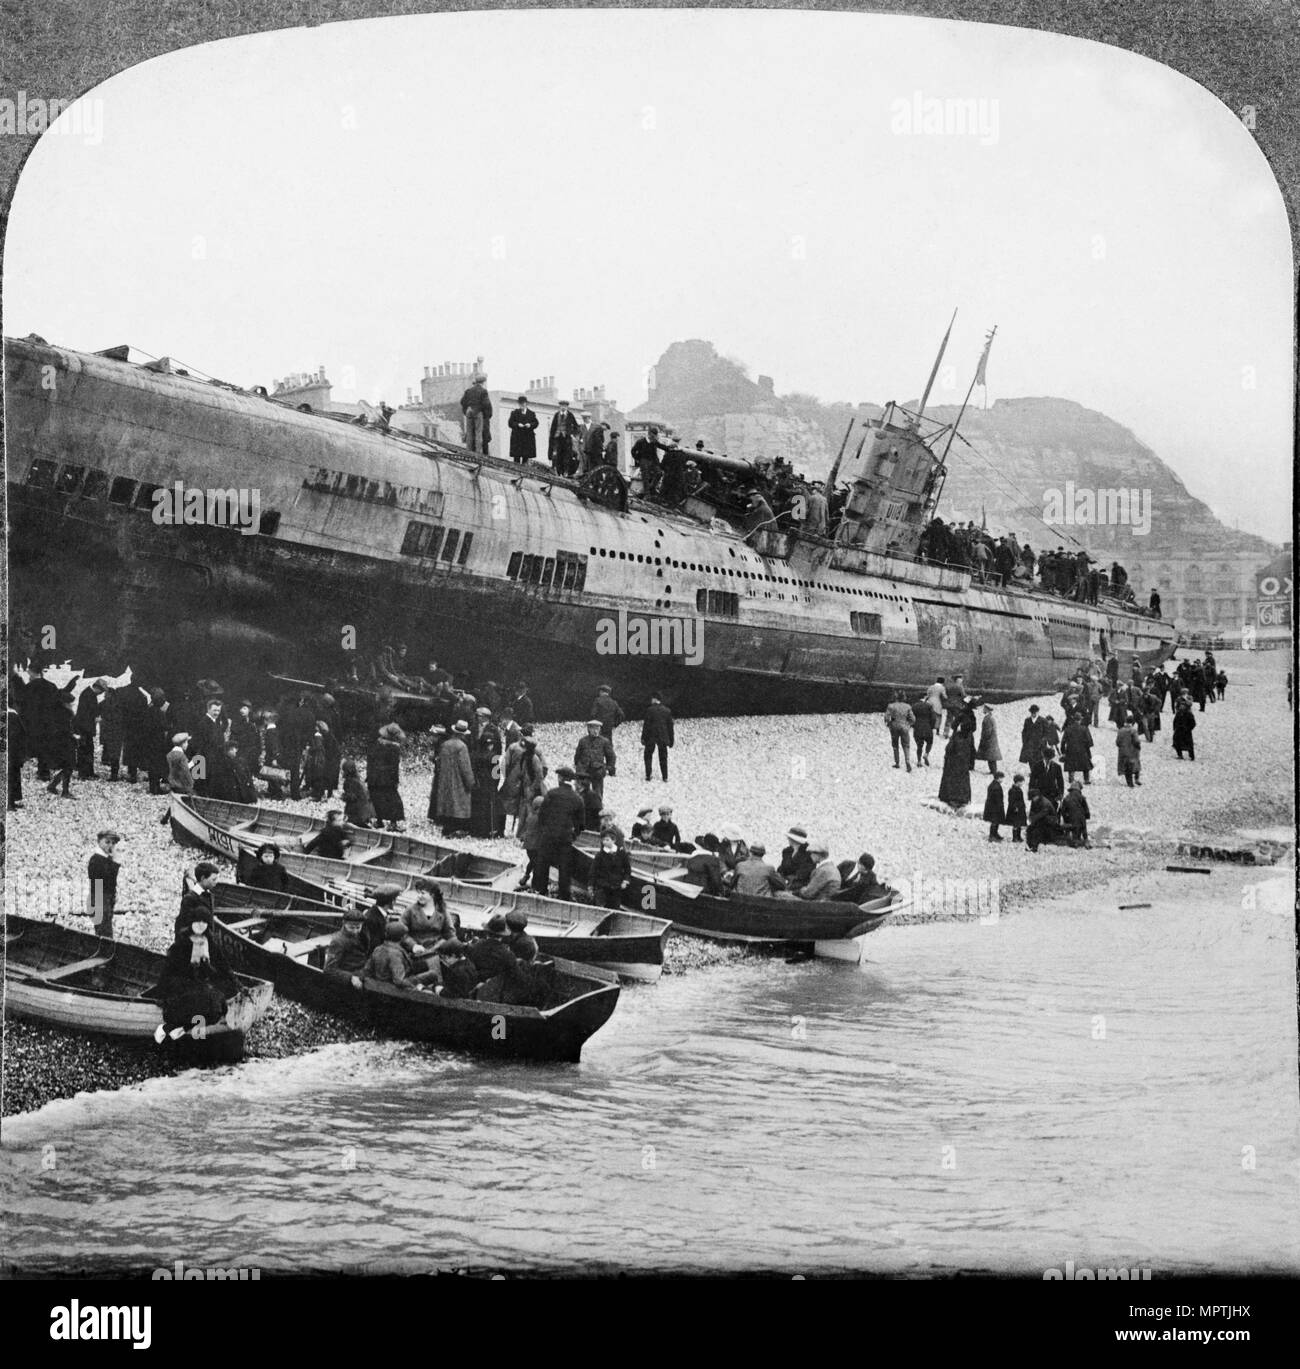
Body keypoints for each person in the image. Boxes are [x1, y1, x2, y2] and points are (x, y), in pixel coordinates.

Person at [157, 906, 239, 1033]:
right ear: (191, 923)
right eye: (197, 921)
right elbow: (169, 969)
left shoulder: (211, 943)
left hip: (203, 983)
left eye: (204, 922)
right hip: (184, 983)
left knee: (214, 997)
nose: (200, 925)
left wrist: (237, 984)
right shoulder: (182, 943)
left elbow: (224, 966)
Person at [532, 766, 585, 899]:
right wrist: (573, 835)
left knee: (543, 864)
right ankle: (564, 895)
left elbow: (541, 816)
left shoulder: (551, 794)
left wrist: (545, 830)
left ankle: (541, 891)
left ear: (560, 778)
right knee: (564, 868)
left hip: (548, 836)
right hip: (565, 838)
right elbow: (581, 824)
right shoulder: (577, 798)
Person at [366, 723, 406, 831]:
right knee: (392, 800)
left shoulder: (375, 744)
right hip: (387, 778)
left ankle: (379, 821)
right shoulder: (394, 748)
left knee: (377, 798)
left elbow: (370, 761)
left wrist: (369, 775)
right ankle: (393, 823)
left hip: (374, 776)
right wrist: (395, 780)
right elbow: (394, 767)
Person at [87, 829, 122, 939]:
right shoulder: (96, 859)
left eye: (113, 843)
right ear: (99, 842)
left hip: (104, 899)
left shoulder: (105, 859)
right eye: (107, 842)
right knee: (104, 935)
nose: (110, 845)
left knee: (104, 934)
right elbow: (102, 881)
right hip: (100, 899)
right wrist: (115, 863)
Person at [574, 720, 615, 804]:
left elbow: (611, 756)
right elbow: (577, 755)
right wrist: (577, 765)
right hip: (583, 771)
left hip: (597, 771)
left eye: (598, 728)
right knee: (581, 792)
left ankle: (597, 808)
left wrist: (608, 768)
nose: (596, 731)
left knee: (597, 793)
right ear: (589, 729)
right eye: (593, 729)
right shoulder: (583, 741)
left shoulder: (604, 741)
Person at [74, 678, 107, 780]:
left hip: (85, 728)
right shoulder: (88, 695)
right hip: (84, 728)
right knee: (84, 750)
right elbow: (86, 713)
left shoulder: (88, 693)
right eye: (102, 691)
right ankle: (83, 773)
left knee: (88, 750)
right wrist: (95, 718)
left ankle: (88, 772)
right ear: (97, 688)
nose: (101, 693)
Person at [590, 832, 632, 908]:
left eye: (607, 840)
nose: (604, 842)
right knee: (599, 906)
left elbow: (627, 869)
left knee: (614, 907)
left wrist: (625, 881)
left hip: (616, 887)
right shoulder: (600, 855)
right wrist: (591, 885)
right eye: (603, 840)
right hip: (602, 887)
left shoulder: (621, 853)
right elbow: (593, 871)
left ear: (613, 840)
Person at [324, 909, 369, 980]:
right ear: (344, 923)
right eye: (351, 928)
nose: (355, 931)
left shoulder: (362, 935)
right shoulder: (338, 941)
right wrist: (350, 977)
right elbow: (329, 969)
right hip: (351, 977)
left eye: (358, 927)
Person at [642, 693, 675, 782]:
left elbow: (646, 725)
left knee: (648, 755)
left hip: (651, 736)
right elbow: (670, 727)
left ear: (655, 699)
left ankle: (648, 774)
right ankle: (665, 776)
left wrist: (643, 737)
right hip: (663, 737)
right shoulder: (667, 711)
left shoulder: (649, 710)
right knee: (663, 757)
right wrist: (671, 740)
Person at [937, 729, 973, 809]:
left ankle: (951, 798)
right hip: (963, 765)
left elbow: (948, 748)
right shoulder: (969, 738)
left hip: (953, 764)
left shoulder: (956, 737)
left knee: (951, 781)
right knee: (962, 782)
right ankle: (962, 799)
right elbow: (972, 752)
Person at [460, 374, 492, 455]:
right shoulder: (483, 391)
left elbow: (462, 401)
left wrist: (466, 410)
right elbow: (486, 404)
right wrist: (486, 415)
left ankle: (469, 451)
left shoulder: (468, 391)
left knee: (469, 432)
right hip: (477, 412)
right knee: (478, 432)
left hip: (469, 411)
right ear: (483, 382)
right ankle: (478, 452)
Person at [548, 398, 581, 475]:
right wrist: (552, 437)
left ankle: (566, 471)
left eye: (565, 406)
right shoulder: (556, 415)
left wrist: (572, 434)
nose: (563, 407)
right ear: (560, 406)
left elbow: (576, 426)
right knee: (557, 454)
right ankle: (558, 472)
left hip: (566, 438)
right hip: (557, 437)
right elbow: (553, 427)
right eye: (562, 406)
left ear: (567, 407)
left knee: (566, 455)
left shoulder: (570, 415)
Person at [884, 691, 915, 771]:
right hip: (904, 726)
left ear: (896, 697)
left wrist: (889, 723)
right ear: (904, 697)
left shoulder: (891, 706)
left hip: (894, 726)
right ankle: (907, 760)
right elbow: (913, 719)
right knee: (906, 745)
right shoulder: (907, 706)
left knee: (895, 744)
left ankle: (897, 762)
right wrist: (909, 724)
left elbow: (887, 717)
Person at [778, 827, 815, 892]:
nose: (788, 839)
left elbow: (804, 874)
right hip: (785, 883)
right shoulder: (787, 851)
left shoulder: (808, 853)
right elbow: (782, 868)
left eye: (789, 837)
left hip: (800, 886)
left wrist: (789, 879)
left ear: (794, 839)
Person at [341, 759, 376, 828]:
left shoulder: (350, 781)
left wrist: (344, 796)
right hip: (366, 810)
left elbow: (352, 797)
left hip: (358, 811)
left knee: (349, 823)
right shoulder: (357, 779)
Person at [1061, 713, 1094, 785]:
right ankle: (1086, 779)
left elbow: (1063, 742)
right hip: (1082, 750)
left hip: (1070, 750)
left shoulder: (1068, 729)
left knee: (1071, 765)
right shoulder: (1084, 729)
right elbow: (1090, 742)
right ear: (1080, 720)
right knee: (1085, 765)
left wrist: (1063, 751)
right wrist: (1087, 748)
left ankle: (1071, 778)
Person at [507, 396, 538, 464]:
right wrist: (518, 424)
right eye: (520, 403)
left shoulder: (531, 413)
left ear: (526, 404)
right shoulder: (514, 412)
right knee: (516, 459)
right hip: (517, 439)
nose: (522, 405)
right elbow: (510, 423)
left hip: (527, 439)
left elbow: (536, 423)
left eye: (523, 403)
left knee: (526, 458)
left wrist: (530, 425)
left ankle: (525, 469)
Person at [1061, 780, 1091, 848]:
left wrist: (1066, 818)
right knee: (1083, 828)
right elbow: (1086, 808)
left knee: (1074, 830)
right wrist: (1087, 816)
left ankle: (1075, 841)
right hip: (1081, 818)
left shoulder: (1067, 798)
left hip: (1071, 818)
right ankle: (1086, 840)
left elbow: (1063, 811)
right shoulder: (1081, 797)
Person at [166, 731, 195, 797]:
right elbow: (185, 771)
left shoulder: (170, 754)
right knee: (194, 796)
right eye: (187, 742)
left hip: (173, 783)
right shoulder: (181, 756)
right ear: (183, 744)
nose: (187, 744)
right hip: (181, 785)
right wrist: (190, 784)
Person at [1115, 719, 1143, 785]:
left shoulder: (1120, 730)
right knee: (1136, 765)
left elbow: (1117, 742)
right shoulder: (1133, 730)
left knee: (1126, 767)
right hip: (1133, 751)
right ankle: (1136, 779)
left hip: (1123, 752)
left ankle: (1130, 783)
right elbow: (1136, 741)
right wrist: (1138, 747)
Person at [975, 704, 1001, 774]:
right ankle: (993, 770)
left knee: (991, 756)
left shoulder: (988, 718)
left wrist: (984, 739)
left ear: (987, 710)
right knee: (991, 756)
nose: (983, 710)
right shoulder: (990, 718)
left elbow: (988, 731)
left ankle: (993, 771)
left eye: (984, 709)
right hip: (991, 740)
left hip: (989, 740)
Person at [912, 694, 936, 767]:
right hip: (927, 727)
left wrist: (913, 725)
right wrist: (932, 726)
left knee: (919, 746)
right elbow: (933, 718)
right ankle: (926, 754)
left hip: (917, 728)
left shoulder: (914, 706)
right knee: (929, 742)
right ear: (925, 697)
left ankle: (919, 761)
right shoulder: (929, 706)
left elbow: (911, 717)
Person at [983, 771, 1006, 842]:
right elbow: (997, 798)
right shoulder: (996, 787)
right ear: (998, 778)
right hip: (994, 807)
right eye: (1002, 778)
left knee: (996, 821)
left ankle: (995, 834)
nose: (1002, 780)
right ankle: (992, 835)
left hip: (992, 806)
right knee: (995, 821)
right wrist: (1000, 806)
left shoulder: (993, 784)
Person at [1006, 773, 1028, 843]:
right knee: (1015, 824)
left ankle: (1019, 836)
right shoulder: (1012, 790)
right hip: (1015, 810)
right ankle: (1015, 838)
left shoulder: (1018, 789)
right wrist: (1015, 807)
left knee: (1020, 823)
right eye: (1021, 782)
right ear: (1018, 782)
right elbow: (1011, 800)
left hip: (1020, 808)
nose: (1022, 784)